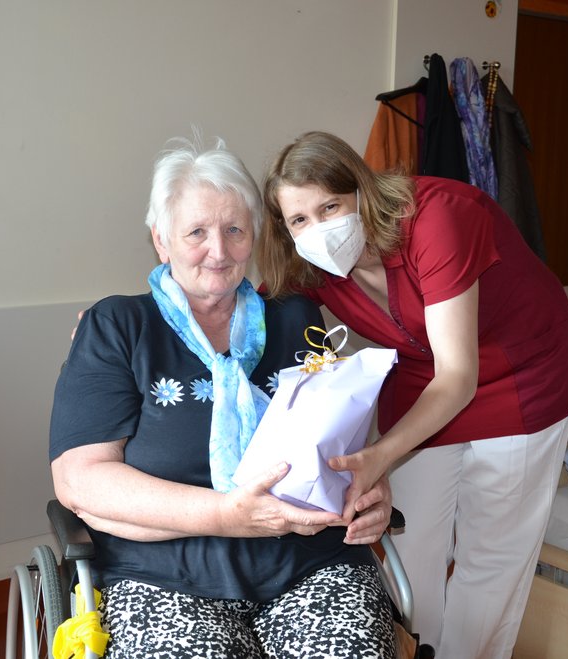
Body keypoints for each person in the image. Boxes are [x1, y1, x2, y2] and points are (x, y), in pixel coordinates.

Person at [50, 136, 397, 659]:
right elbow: (80, 480)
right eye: (196, 232)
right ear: (161, 241)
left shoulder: (294, 316)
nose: (218, 250)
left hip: (309, 560)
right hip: (164, 576)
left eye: (235, 230)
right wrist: (226, 516)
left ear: (253, 236)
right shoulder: (119, 326)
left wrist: (372, 487)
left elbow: (340, 440)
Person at [256, 131, 568, 658]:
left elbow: (458, 376)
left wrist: (379, 455)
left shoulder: (437, 218)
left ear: (363, 193)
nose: (317, 229)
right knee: (407, 549)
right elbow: (243, 318)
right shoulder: (309, 267)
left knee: (490, 559)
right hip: (422, 378)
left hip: (519, 374)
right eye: (299, 219)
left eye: (330, 207)